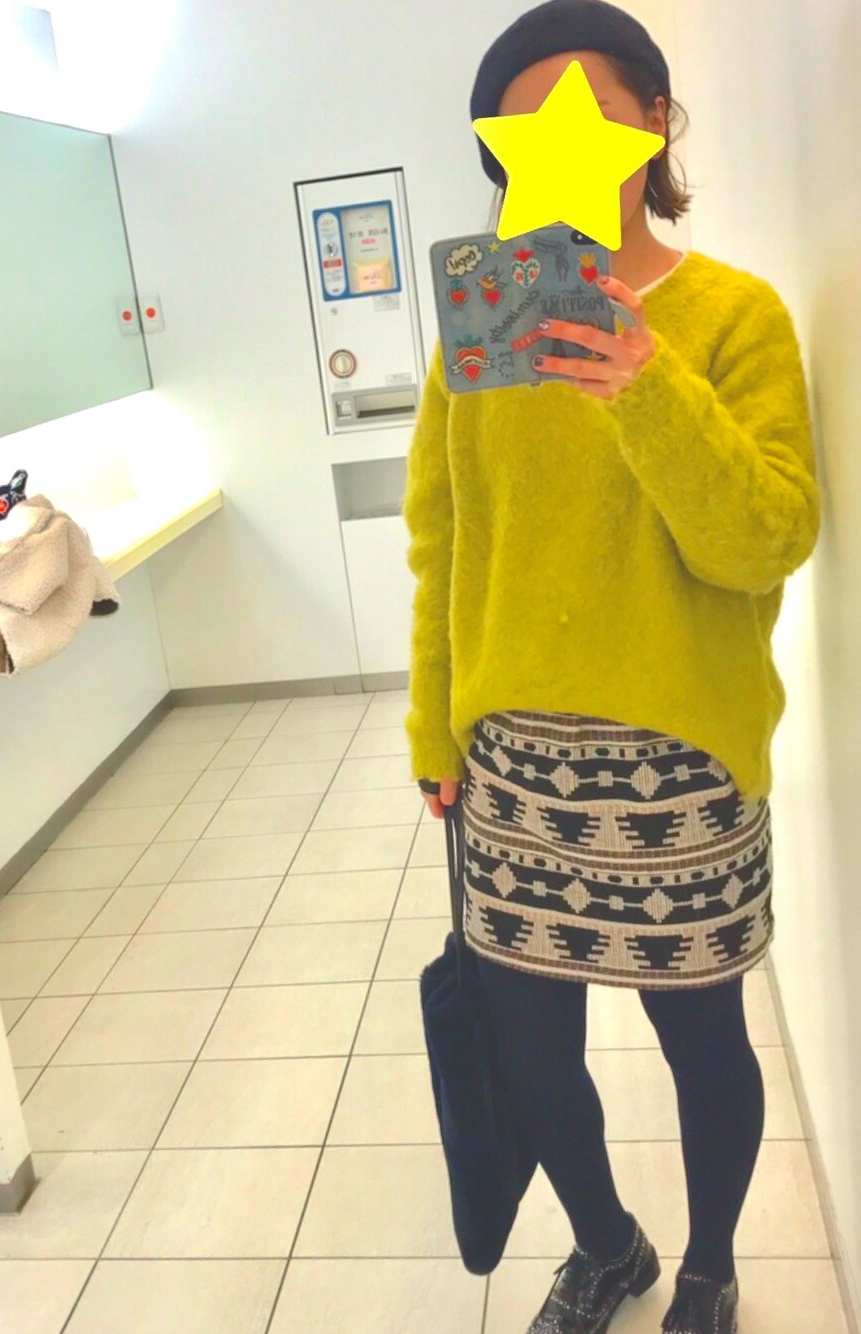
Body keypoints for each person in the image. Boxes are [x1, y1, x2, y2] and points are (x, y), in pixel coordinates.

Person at [402, 2, 822, 1332]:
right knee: (530, 1055)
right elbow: (443, 545)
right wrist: (432, 730)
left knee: (705, 1046)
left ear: (655, 120)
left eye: (590, 107)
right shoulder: (482, 331)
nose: (563, 137)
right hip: (512, 772)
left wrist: (644, 378)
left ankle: (709, 1265)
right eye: (526, 122)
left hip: (681, 770)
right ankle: (608, 1245)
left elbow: (765, 540)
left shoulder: (736, 315)